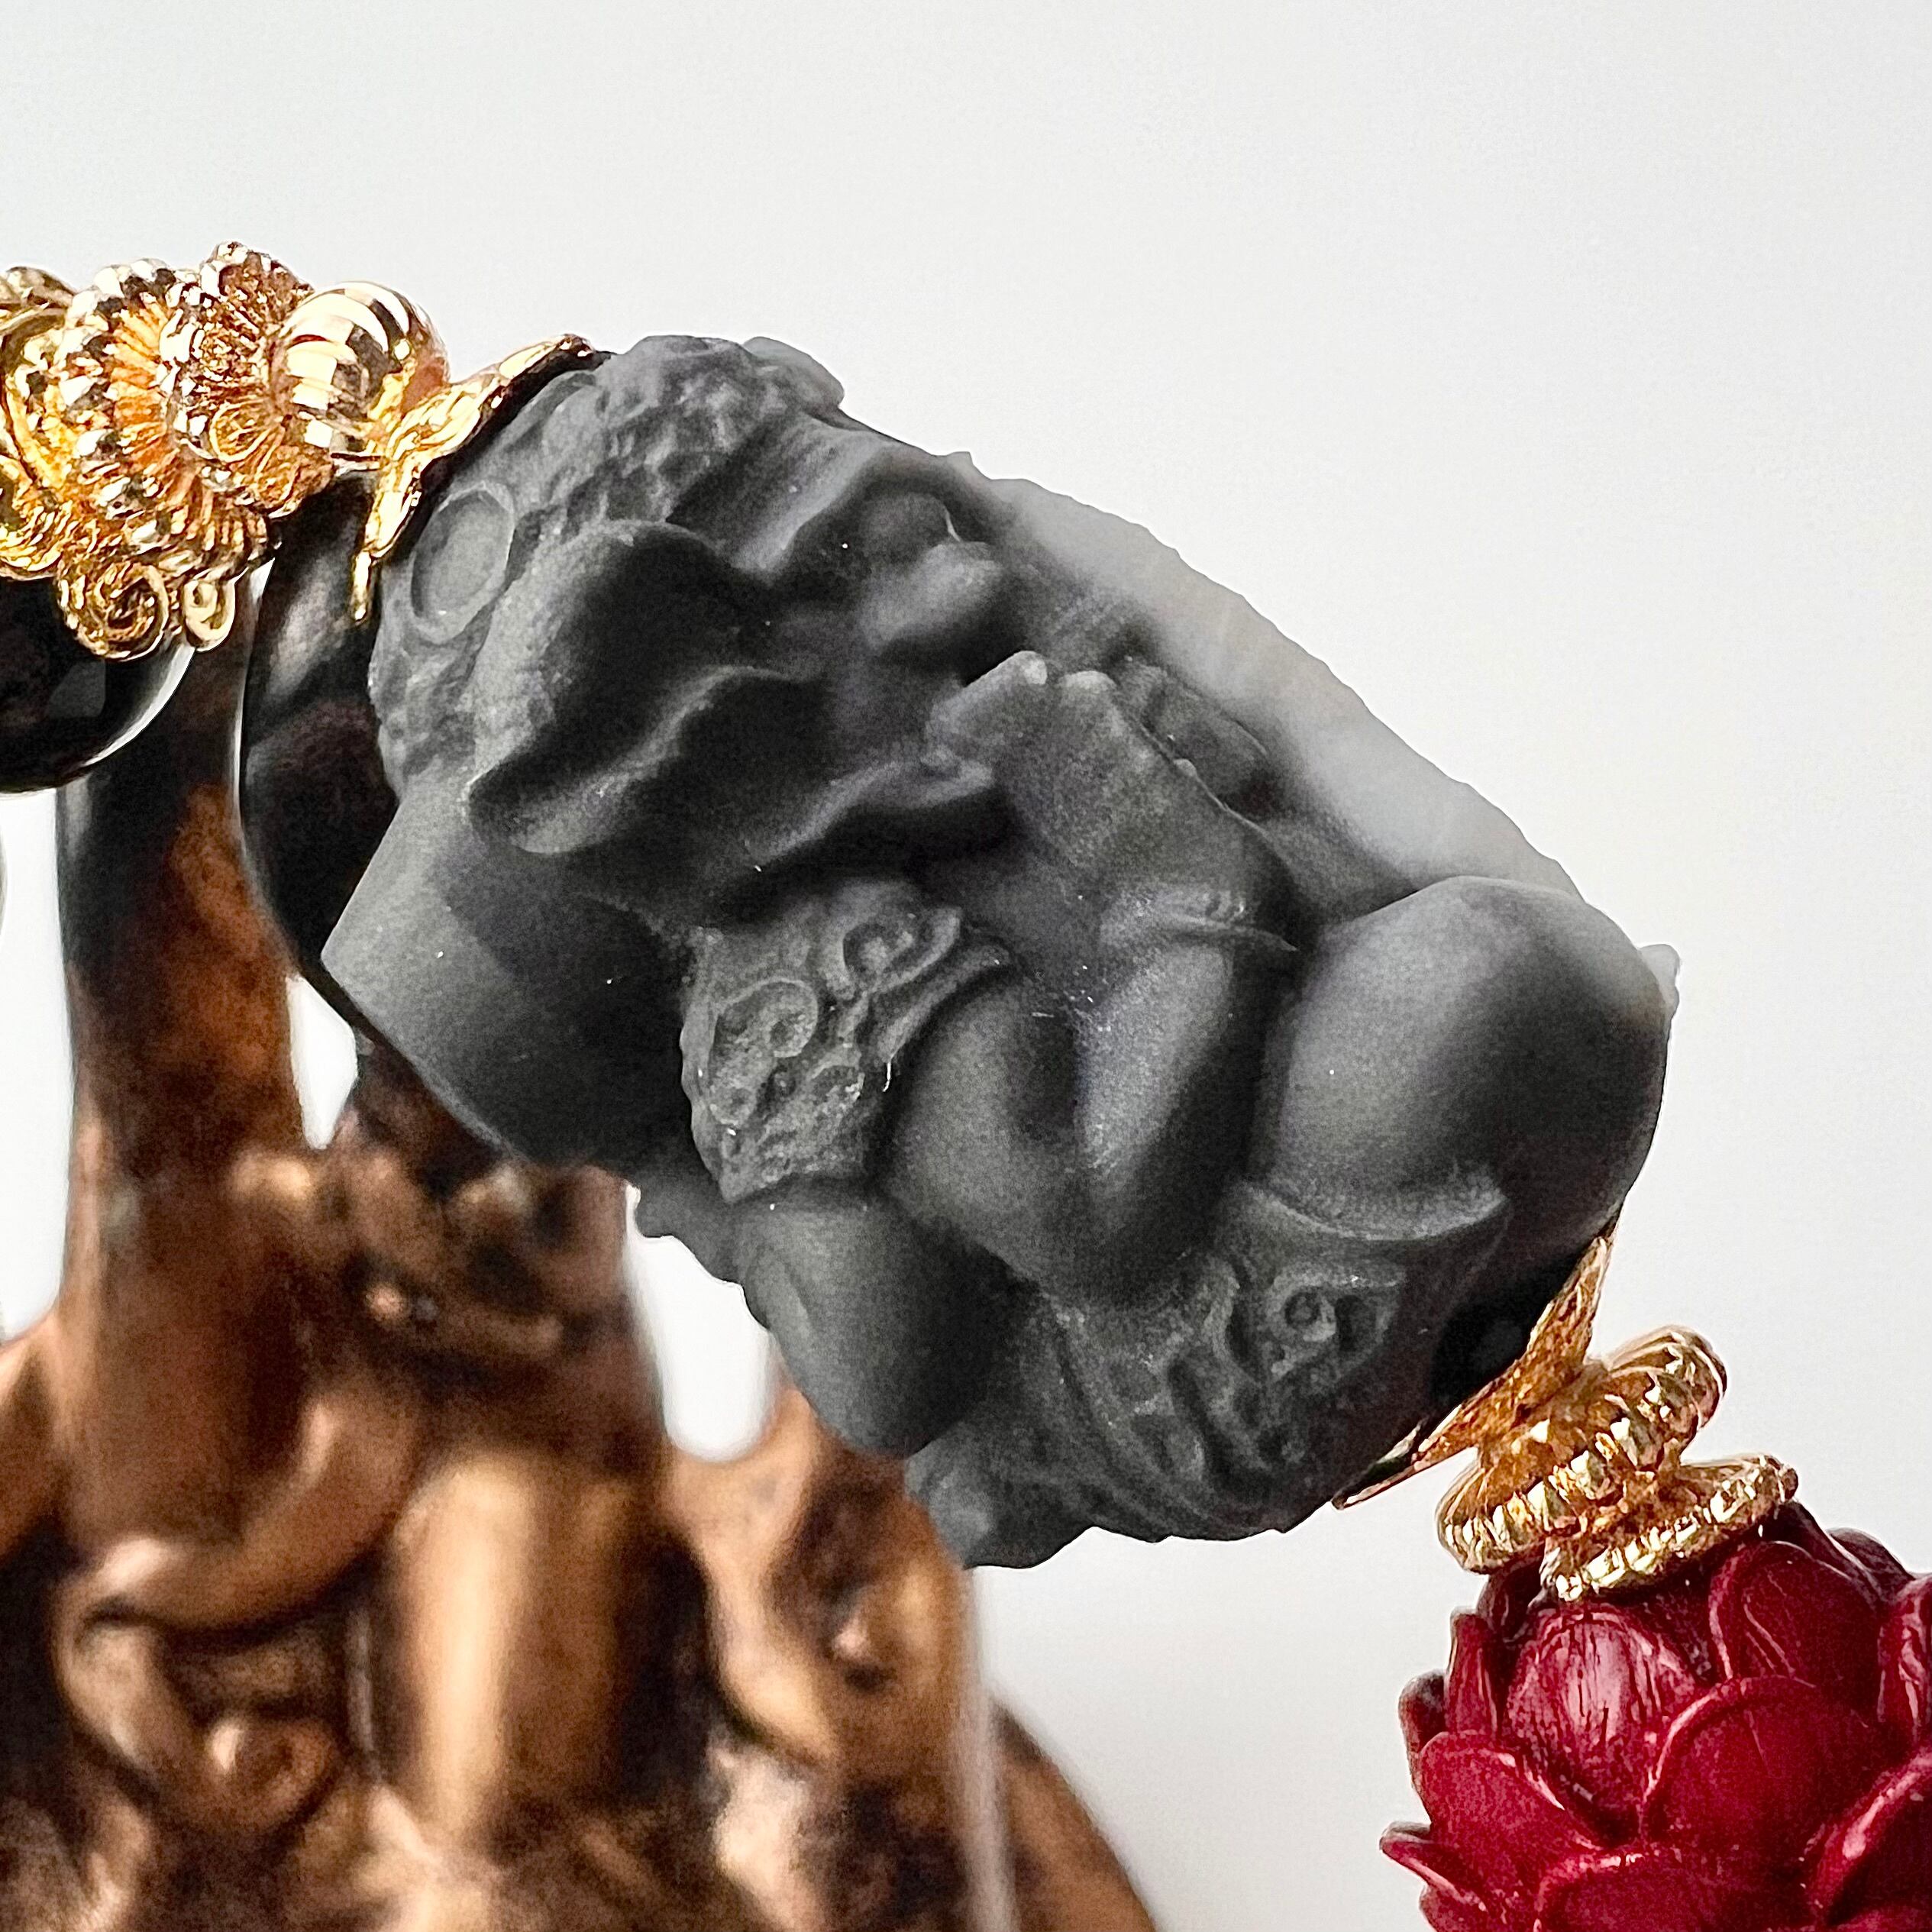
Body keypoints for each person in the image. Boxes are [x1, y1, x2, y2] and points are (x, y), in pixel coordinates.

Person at [244, 334, 1672, 1565]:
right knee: (1472, 1001)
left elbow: (1307, 757)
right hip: (1189, 1357)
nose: (956, 593)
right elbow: (1092, 1213)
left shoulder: (1009, 695)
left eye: (922, 525)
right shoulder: (834, 977)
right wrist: (1188, 895)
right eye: (862, 575)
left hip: (1352, 1142)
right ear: (729, 734)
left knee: (1504, 989)